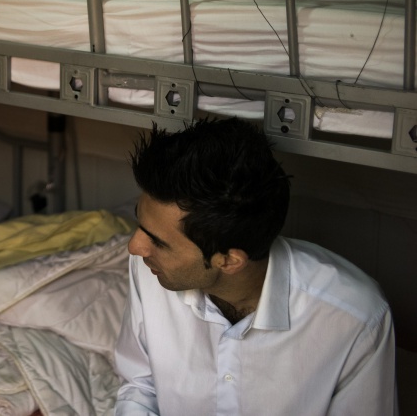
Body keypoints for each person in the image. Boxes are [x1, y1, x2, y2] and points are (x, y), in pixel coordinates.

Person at [114, 117, 397, 416]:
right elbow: (140, 386)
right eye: (139, 223)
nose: (135, 246)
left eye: (159, 242)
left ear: (230, 261)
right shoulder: (150, 268)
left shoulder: (355, 318)